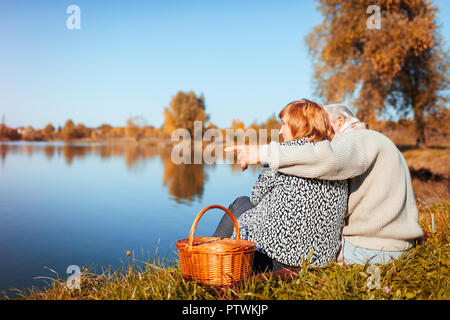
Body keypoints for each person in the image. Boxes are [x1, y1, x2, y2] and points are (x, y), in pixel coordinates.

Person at [227, 104, 424, 265]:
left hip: (374, 250)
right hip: (395, 244)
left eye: (325, 128)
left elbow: (328, 160)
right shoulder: (377, 141)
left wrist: (264, 153)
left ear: (340, 121)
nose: (322, 138)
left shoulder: (357, 139)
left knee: (241, 207)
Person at [213, 99, 348, 271]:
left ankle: (207, 254)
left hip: (276, 259)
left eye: (284, 124)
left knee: (241, 202)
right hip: (318, 261)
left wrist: (265, 165)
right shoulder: (336, 157)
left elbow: (255, 197)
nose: (280, 131)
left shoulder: (282, 155)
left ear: (299, 125)